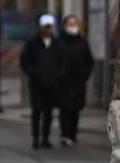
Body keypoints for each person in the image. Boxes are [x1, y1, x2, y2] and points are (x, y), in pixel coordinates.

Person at [20, 13, 63, 149]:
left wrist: (57, 75)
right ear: (41, 27)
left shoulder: (57, 44)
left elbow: (62, 62)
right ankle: (35, 137)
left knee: (49, 112)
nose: (48, 29)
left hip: (52, 84)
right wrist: (33, 74)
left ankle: (45, 137)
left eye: (50, 26)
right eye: (46, 26)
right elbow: (25, 62)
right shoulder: (32, 44)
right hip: (36, 84)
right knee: (37, 111)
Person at [56, 14, 94, 147]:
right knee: (64, 109)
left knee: (75, 109)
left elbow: (89, 61)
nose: (73, 26)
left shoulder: (82, 42)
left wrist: (85, 74)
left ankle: (72, 134)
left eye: (74, 24)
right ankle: (64, 133)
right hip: (63, 82)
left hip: (78, 82)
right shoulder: (59, 42)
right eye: (70, 24)